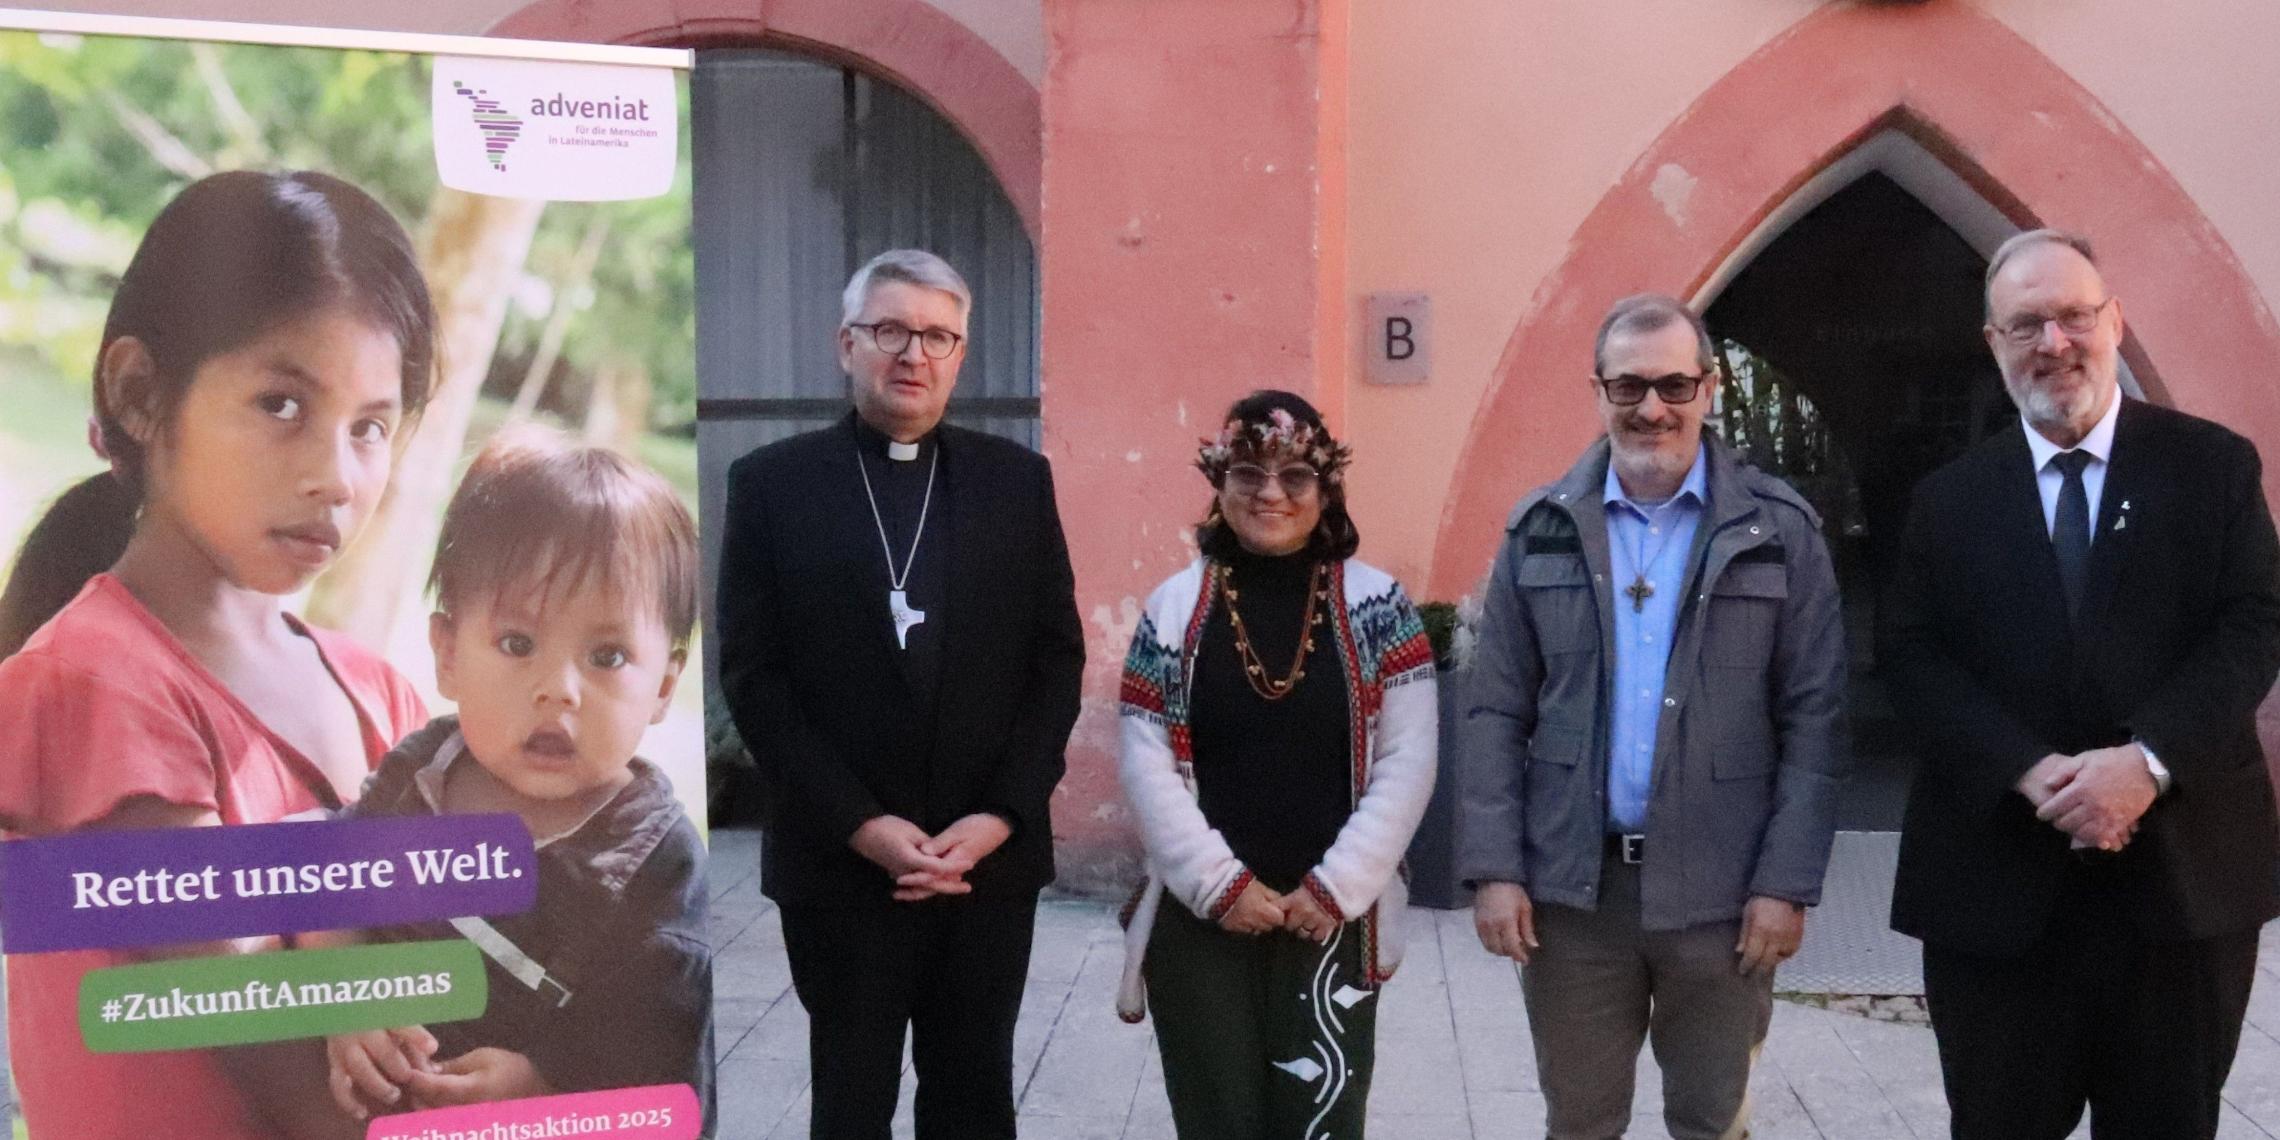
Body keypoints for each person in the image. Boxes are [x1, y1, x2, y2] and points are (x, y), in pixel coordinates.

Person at [0, 169, 437, 1139]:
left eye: (370, 427)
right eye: (284, 404)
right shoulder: (94, 688)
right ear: (140, 392)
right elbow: (303, 1093)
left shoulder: (380, 694)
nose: (337, 476)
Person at [1881, 229, 2280, 1140]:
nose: (2053, 344)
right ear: (1993, 343)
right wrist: (2028, 770)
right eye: (2026, 325)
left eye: (2073, 317)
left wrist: (2146, 762)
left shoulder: (2213, 466)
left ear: (2114, 322)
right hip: (1996, 888)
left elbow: (2254, 626)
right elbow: (1910, 655)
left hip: (2182, 891)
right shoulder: (1946, 498)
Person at [1458, 293, 1848, 1140]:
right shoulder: (1543, 529)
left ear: (1709, 389)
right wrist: (1495, 869)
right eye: (1628, 386)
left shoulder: (1778, 531)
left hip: (1723, 896)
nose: (1651, 408)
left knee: (1712, 1122)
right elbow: (1494, 710)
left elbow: (1816, 718)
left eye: (1674, 384)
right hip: (1575, 897)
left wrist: (1785, 883)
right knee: (1582, 1123)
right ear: (1598, 393)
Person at [715, 248, 1085, 1138]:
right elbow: (754, 679)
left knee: (973, 1100)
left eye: (937, 336)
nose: (912, 354)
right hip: (841, 866)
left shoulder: (1015, 483)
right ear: (847, 345)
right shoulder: (771, 485)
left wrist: (998, 816)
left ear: (960, 355)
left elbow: (1056, 662)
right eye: (890, 331)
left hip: (983, 868)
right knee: (850, 1103)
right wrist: (862, 826)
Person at [319, 432, 712, 1128]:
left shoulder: (657, 871)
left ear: (663, 687)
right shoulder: (421, 775)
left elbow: (666, 1085)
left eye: (607, 655)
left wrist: (542, 1090)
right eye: (518, 644)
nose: (559, 689)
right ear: (447, 652)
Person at [1114, 390, 1438, 1139]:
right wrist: (1218, 886)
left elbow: (1410, 759)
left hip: (1328, 923)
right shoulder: (1172, 608)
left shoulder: (1381, 606)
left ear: (1325, 489)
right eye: (1248, 473)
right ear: (1218, 483)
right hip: (1203, 926)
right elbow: (1144, 759)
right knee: (1216, 1123)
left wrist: (1337, 888)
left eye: (1294, 475)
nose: (1270, 493)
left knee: (1322, 1123)